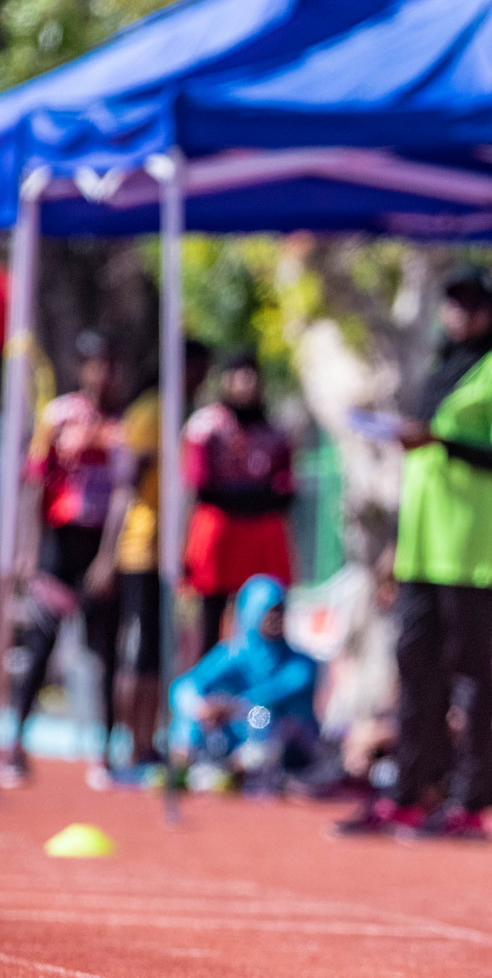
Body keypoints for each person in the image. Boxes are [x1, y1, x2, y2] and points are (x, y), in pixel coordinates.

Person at [335, 267, 492, 839]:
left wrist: (440, 441)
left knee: (472, 678)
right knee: (413, 669)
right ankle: (410, 790)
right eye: (453, 303)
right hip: (421, 548)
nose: (459, 314)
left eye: (471, 303)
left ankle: (472, 799)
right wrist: (395, 545)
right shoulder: (441, 370)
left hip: (472, 549)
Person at [3, 332, 122, 789]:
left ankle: (105, 753)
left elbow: (122, 496)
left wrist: (109, 558)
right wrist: (29, 553)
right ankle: (15, 746)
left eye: (111, 363)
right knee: (39, 645)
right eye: (96, 363)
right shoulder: (58, 416)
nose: (104, 373)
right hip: (58, 545)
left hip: (98, 548)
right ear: (82, 367)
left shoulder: (119, 425)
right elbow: (36, 484)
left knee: (104, 652)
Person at [89, 338, 213, 775]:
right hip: (140, 549)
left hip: (166, 553)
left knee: (158, 652)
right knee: (137, 650)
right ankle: (127, 743)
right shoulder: (151, 412)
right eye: (198, 369)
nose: (202, 378)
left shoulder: (182, 414)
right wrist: (108, 555)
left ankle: (147, 743)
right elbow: (125, 490)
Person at [182, 352, 295, 657]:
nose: (245, 383)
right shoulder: (206, 426)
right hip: (222, 535)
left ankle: (259, 695)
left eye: (251, 374)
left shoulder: (275, 431)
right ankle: (207, 691)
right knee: (212, 618)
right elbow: (204, 486)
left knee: (264, 617)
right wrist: (255, 495)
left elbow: (285, 491)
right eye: (238, 374)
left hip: (260, 537)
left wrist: (244, 496)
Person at [169, 574, 318, 789]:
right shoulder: (232, 654)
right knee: (195, 714)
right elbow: (184, 687)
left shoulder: (301, 664)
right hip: (233, 737)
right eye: (269, 611)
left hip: (286, 749)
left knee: (261, 716)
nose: (276, 618)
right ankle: (187, 765)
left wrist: (229, 707)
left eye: (280, 611)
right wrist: (201, 708)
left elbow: (269, 698)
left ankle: (243, 769)